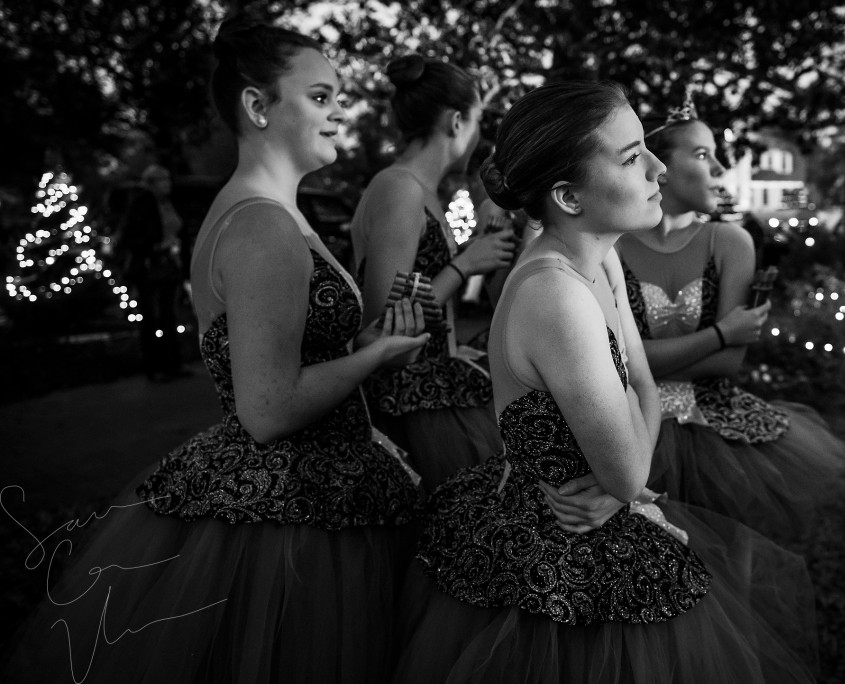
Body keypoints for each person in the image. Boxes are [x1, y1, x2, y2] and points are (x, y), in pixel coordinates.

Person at [2, 17, 428, 683]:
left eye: (338, 96)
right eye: (320, 97)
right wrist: (375, 357)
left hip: (317, 489)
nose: (340, 112)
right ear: (257, 106)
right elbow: (267, 408)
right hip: (293, 519)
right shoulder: (260, 225)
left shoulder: (272, 211)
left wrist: (369, 337)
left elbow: (284, 351)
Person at [392, 81, 819, 684]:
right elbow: (628, 471)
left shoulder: (602, 255)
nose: (657, 169)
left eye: (648, 148)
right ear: (568, 196)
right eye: (630, 157)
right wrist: (623, 477)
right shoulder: (555, 293)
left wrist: (625, 466)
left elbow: (642, 382)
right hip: (554, 553)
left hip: (595, 518)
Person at [615, 95, 845, 540]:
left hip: (716, 432)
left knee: (726, 560)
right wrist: (724, 332)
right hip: (630, 430)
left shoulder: (730, 242)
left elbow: (728, 364)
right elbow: (617, 363)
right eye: (704, 154)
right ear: (656, 166)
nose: (721, 169)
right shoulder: (613, 248)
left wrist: (649, 358)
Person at [349, 54, 515, 491]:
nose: (479, 135)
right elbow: (385, 321)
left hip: (438, 382)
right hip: (411, 404)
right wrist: (465, 265)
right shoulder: (401, 189)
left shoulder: (420, 191)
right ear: (457, 121)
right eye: (479, 120)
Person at [119, 164, 190, 381]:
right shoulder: (141, 205)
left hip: (169, 264)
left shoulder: (168, 203)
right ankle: (154, 366)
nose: (167, 184)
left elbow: (179, 229)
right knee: (151, 317)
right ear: (151, 184)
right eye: (162, 180)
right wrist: (154, 246)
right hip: (150, 266)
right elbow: (131, 236)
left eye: (168, 179)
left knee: (168, 314)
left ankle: (172, 364)